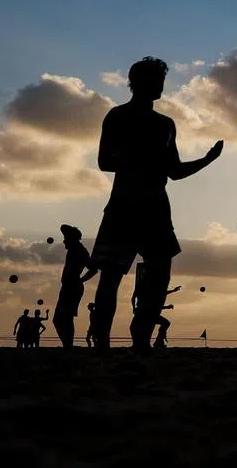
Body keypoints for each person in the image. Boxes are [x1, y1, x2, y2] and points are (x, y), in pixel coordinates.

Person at [89, 56, 224, 351]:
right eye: (155, 80)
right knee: (110, 276)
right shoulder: (117, 116)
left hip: (156, 209)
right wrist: (138, 160)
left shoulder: (166, 124)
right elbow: (103, 161)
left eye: (162, 81)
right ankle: (101, 343)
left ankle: (141, 338)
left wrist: (207, 160)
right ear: (137, 83)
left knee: (160, 275)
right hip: (123, 206)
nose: (161, 86)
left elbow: (174, 171)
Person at [52, 224, 98, 348]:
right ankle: (67, 345)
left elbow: (93, 269)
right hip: (68, 287)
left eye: (65, 238)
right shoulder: (74, 249)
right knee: (60, 319)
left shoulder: (79, 250)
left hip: (72, 287)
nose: (63, 241)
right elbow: (63, 226)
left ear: (71, 238)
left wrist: (81, 280)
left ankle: (68, 345)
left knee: (64, 318)